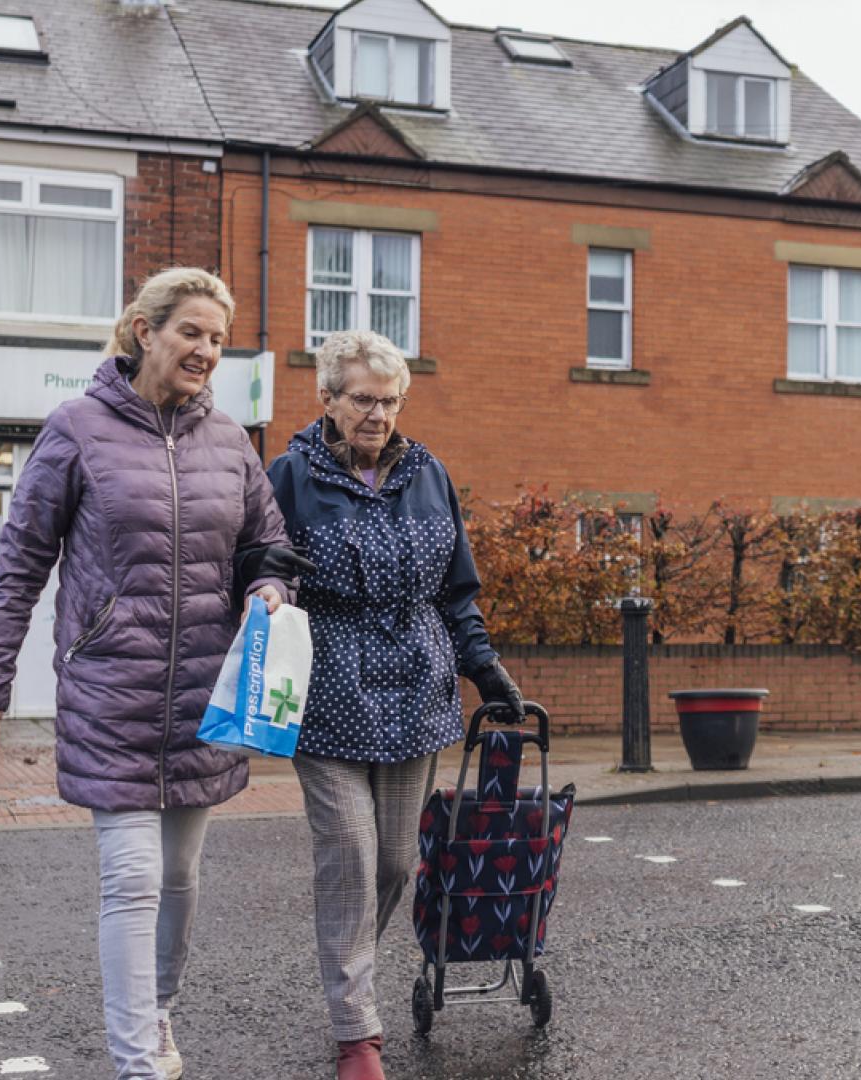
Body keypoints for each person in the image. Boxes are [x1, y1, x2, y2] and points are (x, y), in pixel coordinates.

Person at [0, 267, 295, 1080]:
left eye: (217, 338)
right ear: (145, 332)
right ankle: (136, 1062)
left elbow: (269, 544)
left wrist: (268, 589)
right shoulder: (76, 428)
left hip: (201, 698)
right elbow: (21, 564)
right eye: (192, 332)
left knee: (180, 879)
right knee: (134, 880)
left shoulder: (231, 442)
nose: (207, 351)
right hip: (111, 691)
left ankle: (158, 1011)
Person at [267, 329, 523, 1080]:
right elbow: (254, 568)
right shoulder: (290, 475)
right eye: (361, 399)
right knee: (348, 850)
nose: (377, 414)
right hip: (328, 693)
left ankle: (350, 980)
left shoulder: (428, 475)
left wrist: (486, 668)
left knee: (394, 861)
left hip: (416, 691)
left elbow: (455, 592)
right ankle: (357, 1033)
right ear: (327, 399)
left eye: (389, 400)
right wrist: (265, 579)